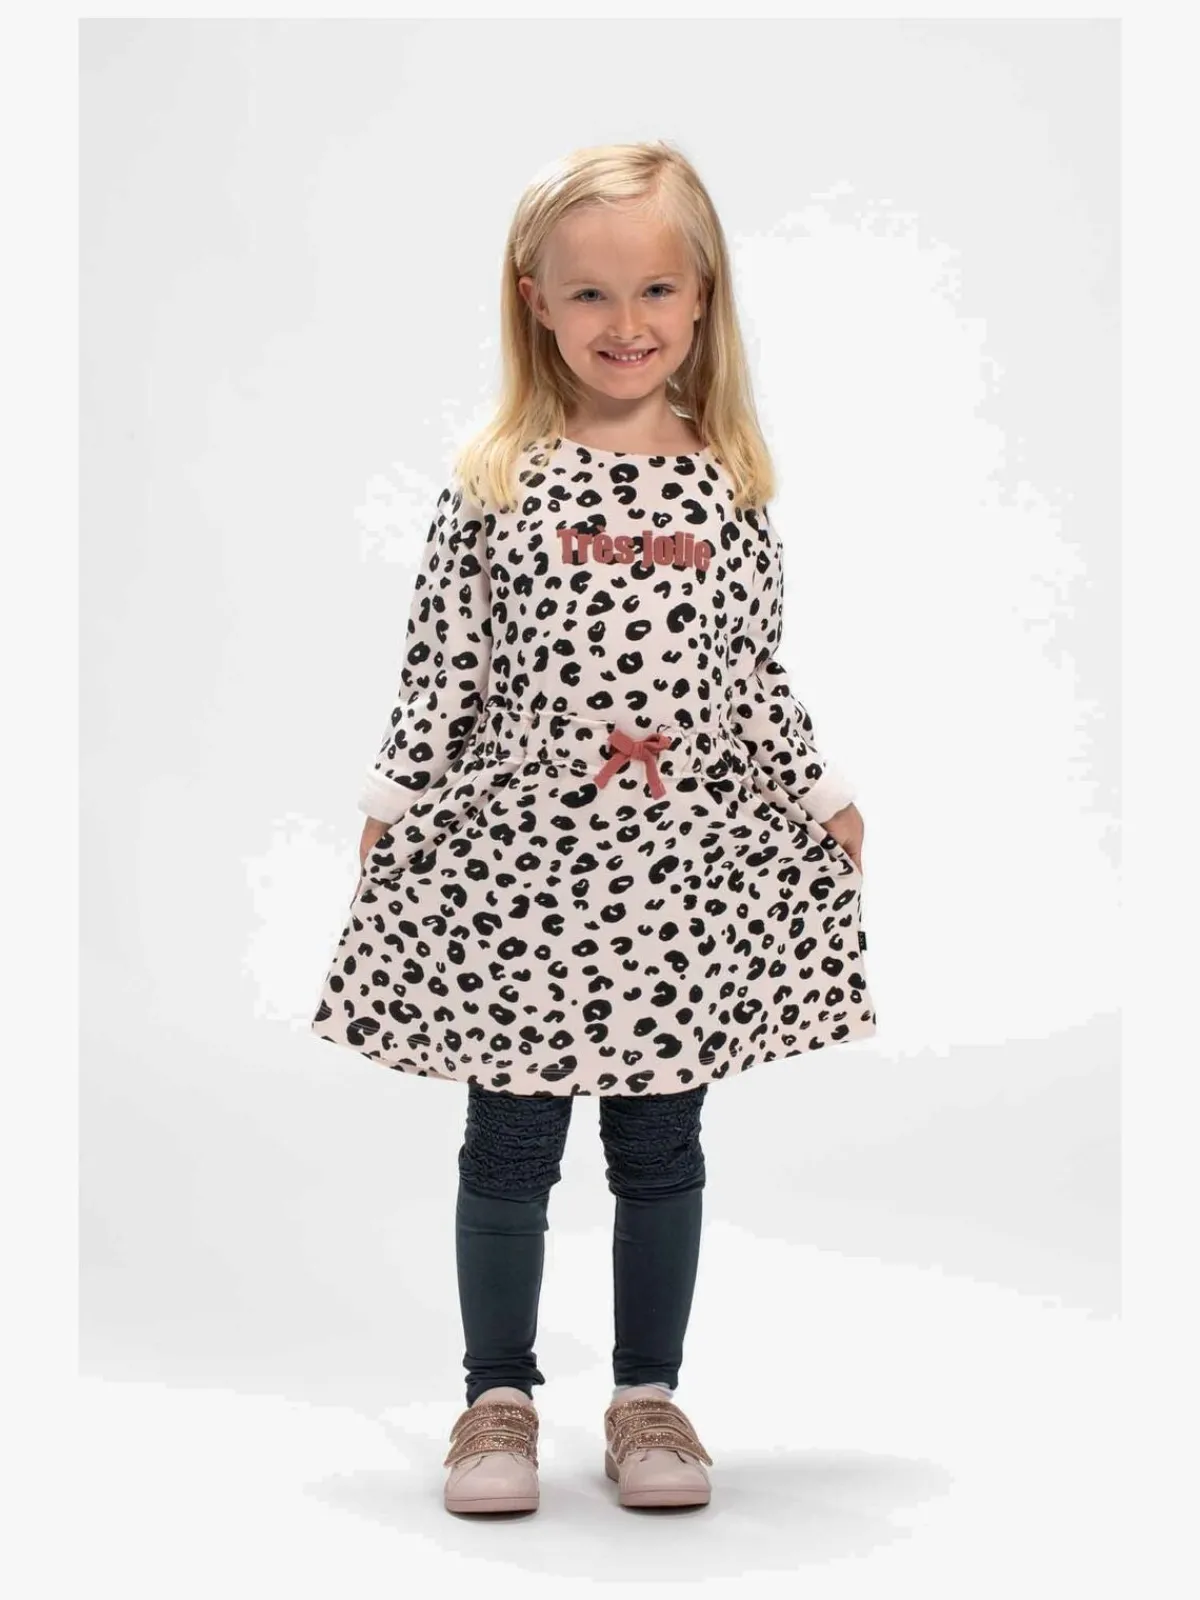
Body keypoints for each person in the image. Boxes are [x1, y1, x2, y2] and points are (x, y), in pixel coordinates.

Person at [311, 140, 876, 1515]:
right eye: (590, 295)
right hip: (522, 875)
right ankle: (495, 1400)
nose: (627, 323)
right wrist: (392, 794)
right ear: (535, 303)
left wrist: (817, 790)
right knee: (511, 1145)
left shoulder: (729, 482)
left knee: (658, 1147)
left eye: (657, 290)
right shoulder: (499, 479)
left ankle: (646, 1399)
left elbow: (752, 675)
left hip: (675, 884)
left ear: (704, 297)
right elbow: (442, 665)